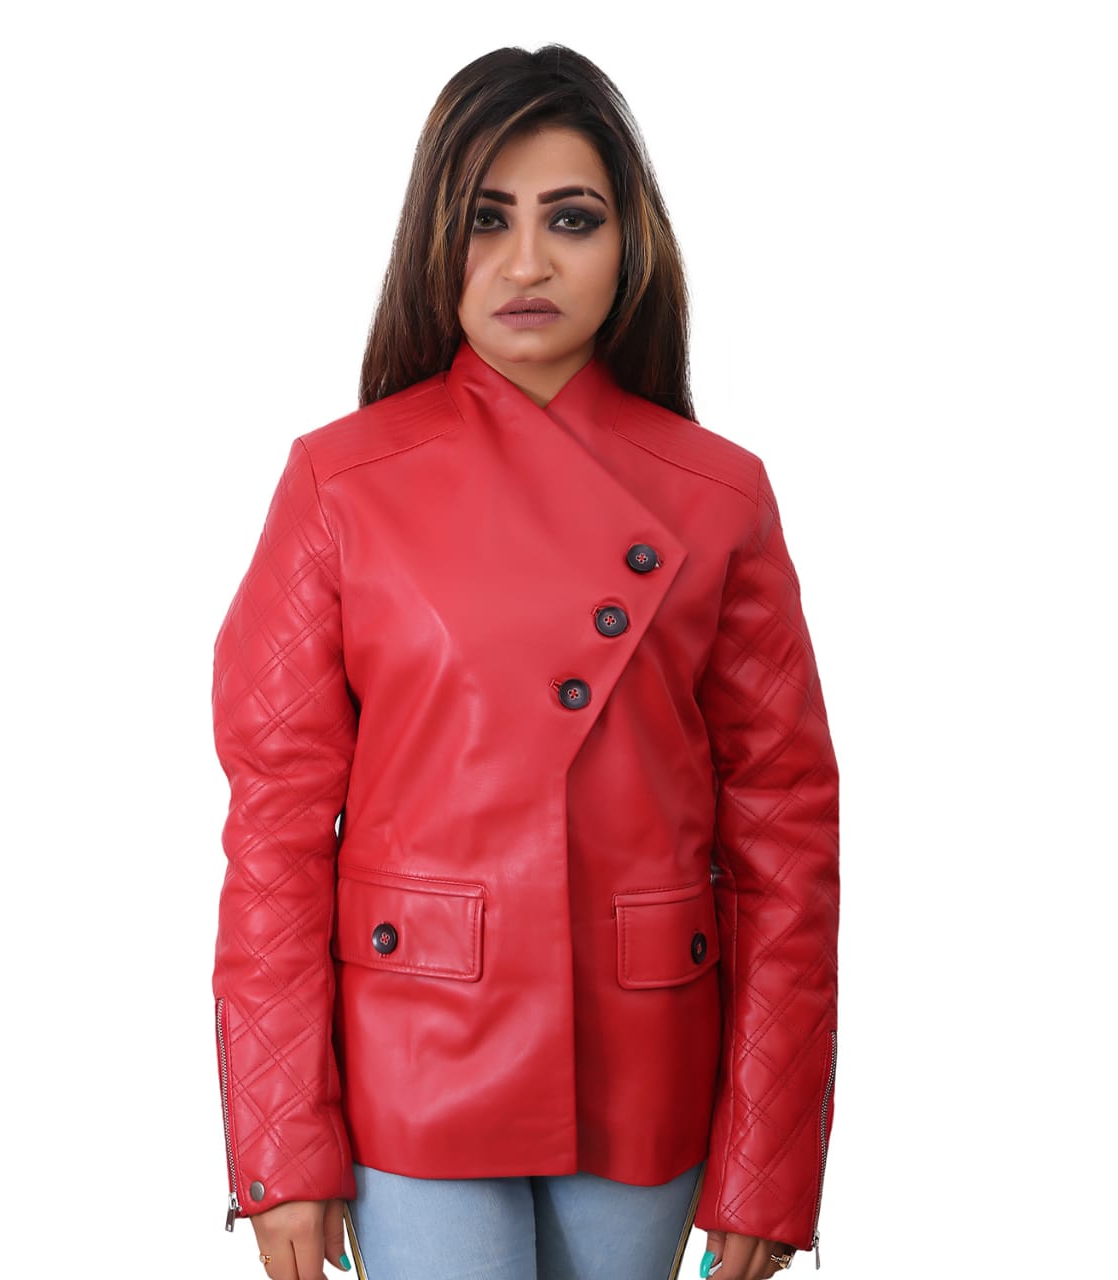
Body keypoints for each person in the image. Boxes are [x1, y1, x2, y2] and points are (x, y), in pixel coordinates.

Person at [210, 43, 840, 1280]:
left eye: (572, 218)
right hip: (412, 1044)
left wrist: (768, 1154)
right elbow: (274, 830)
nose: (528, 262)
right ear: (432, 241)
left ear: (630, 243)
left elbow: (786, 836)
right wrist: (280, 1141)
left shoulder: (721, 495)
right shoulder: (338, 482)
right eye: (486, 219)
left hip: (644, 1046)